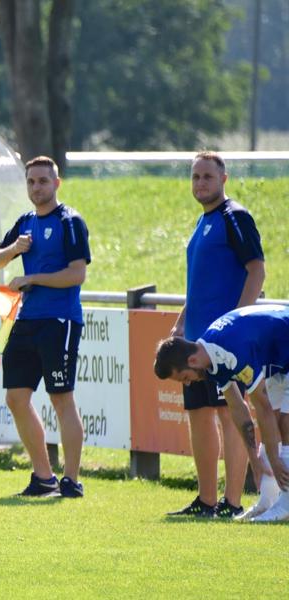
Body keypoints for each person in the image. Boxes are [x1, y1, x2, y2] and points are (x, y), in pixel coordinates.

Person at [165, 151, 264, 519]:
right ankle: (206, 500)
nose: (200, 183)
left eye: (207, 176)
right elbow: (198, 285)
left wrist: (236, 323)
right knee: (199, 414)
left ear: (224, 178)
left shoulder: (234, 217)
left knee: (228, 414)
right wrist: (180, 322)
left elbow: (257, 271)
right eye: (195, 177)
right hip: (195, 343)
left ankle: (232, 502)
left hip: (223, 343)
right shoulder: (201, 223)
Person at [0, 155, 90, 498]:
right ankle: (43, 477)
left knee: (62, 399)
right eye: (31, 181)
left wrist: (31, 278)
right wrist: (15, 249)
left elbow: (77, 274)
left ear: (56, 183)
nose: (36, 187)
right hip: (24, 320)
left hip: (59, 321)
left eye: (43, 181)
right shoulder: (25, 222)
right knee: (16, 398)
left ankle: (71, 480)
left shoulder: (70, 221)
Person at [154, 304, 289, 522]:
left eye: (185, 378)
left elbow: (261, 406)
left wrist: (274, 459)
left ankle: (286, 505)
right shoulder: (210, 357)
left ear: (192, 361)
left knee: (284, 422)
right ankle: (268, 502)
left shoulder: (230, 351)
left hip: (284, 353)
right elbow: (238, 408)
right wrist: (254, 460)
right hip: (280, 360)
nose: (188, 384)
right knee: (273, 425)